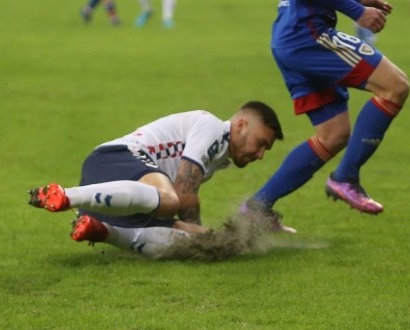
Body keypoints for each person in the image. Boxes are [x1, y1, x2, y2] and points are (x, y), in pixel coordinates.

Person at [243, 0, 410, 230]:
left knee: (334, 134)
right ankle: (345, 178)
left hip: (289, 35)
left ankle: (257, 207)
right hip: (309, 36)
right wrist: (357, 13)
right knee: (396, 87)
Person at [28, 102, 285, 257]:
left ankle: (101, 230)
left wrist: (204, 237)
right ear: (240, 125)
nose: (260, 154)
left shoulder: (220, 157)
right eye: (261, 143)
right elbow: (185, 191)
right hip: (113, 159)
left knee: (199, 243)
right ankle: (66, 196)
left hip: (116, 198)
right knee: (173, 203)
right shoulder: (213, 127)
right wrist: (198, 232)